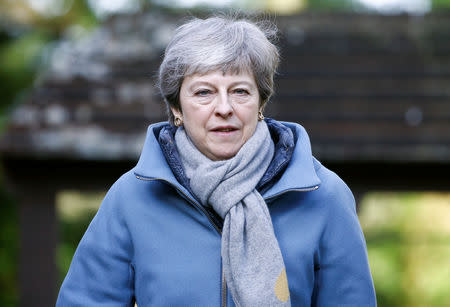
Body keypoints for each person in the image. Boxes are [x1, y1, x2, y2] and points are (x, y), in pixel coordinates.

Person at [56, 15, 376, 307]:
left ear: (261, 102)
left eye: (240, 91)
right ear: (177, 109)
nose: (224, 108)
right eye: (204, 93)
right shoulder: (131, 198)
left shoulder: (323, 195)